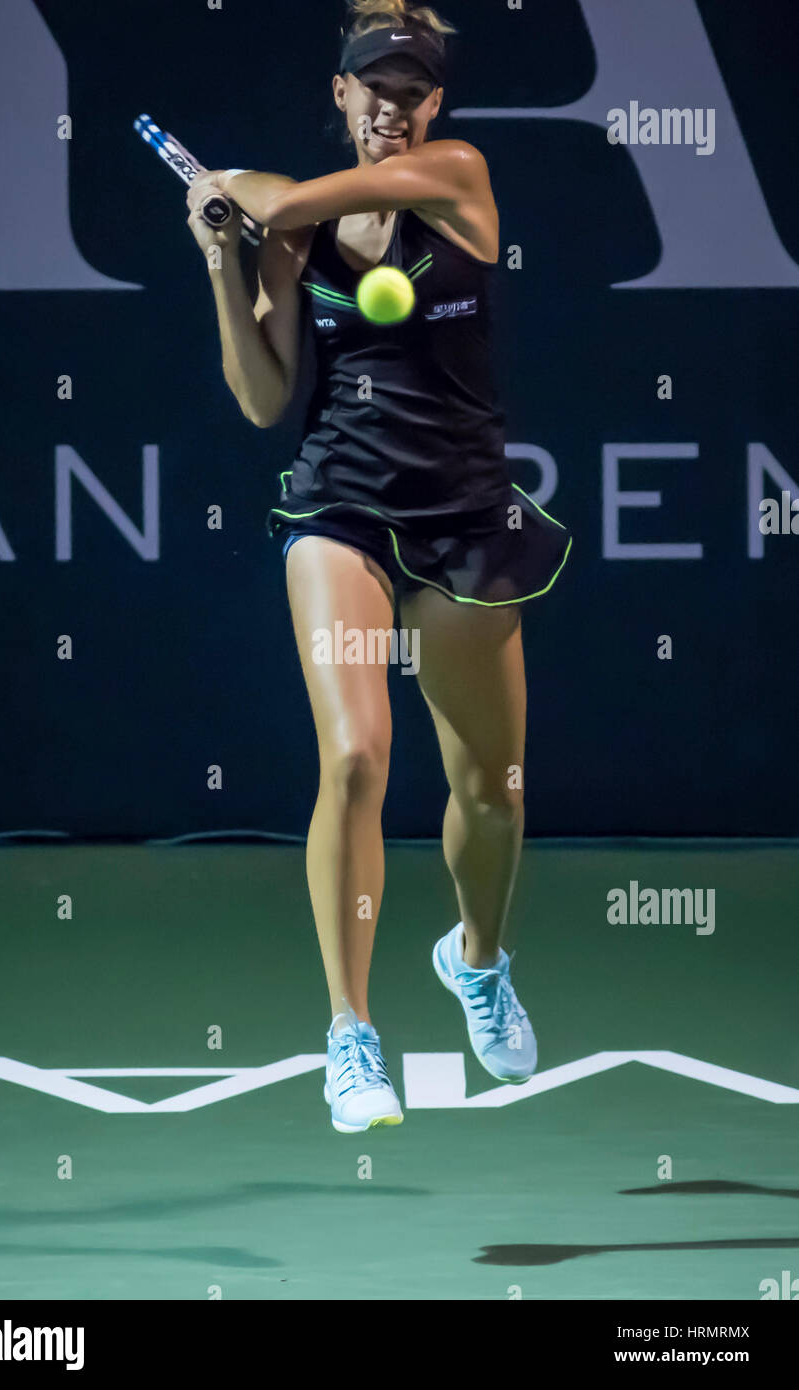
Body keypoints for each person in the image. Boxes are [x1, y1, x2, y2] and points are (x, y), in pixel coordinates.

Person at [186, 0, 572, 1134]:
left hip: (461, 516)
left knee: (489, 797)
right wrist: (225, 260)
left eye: (413, 87)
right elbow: (263, 400)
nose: (392, 105)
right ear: (342, 93)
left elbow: (289, 198)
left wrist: (240, 192)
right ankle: (348, 1034)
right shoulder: (295, 238)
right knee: (355, 753)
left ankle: (476, 956)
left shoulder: (455, 173)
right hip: (340, 507)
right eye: (373, 86)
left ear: (434, 105)